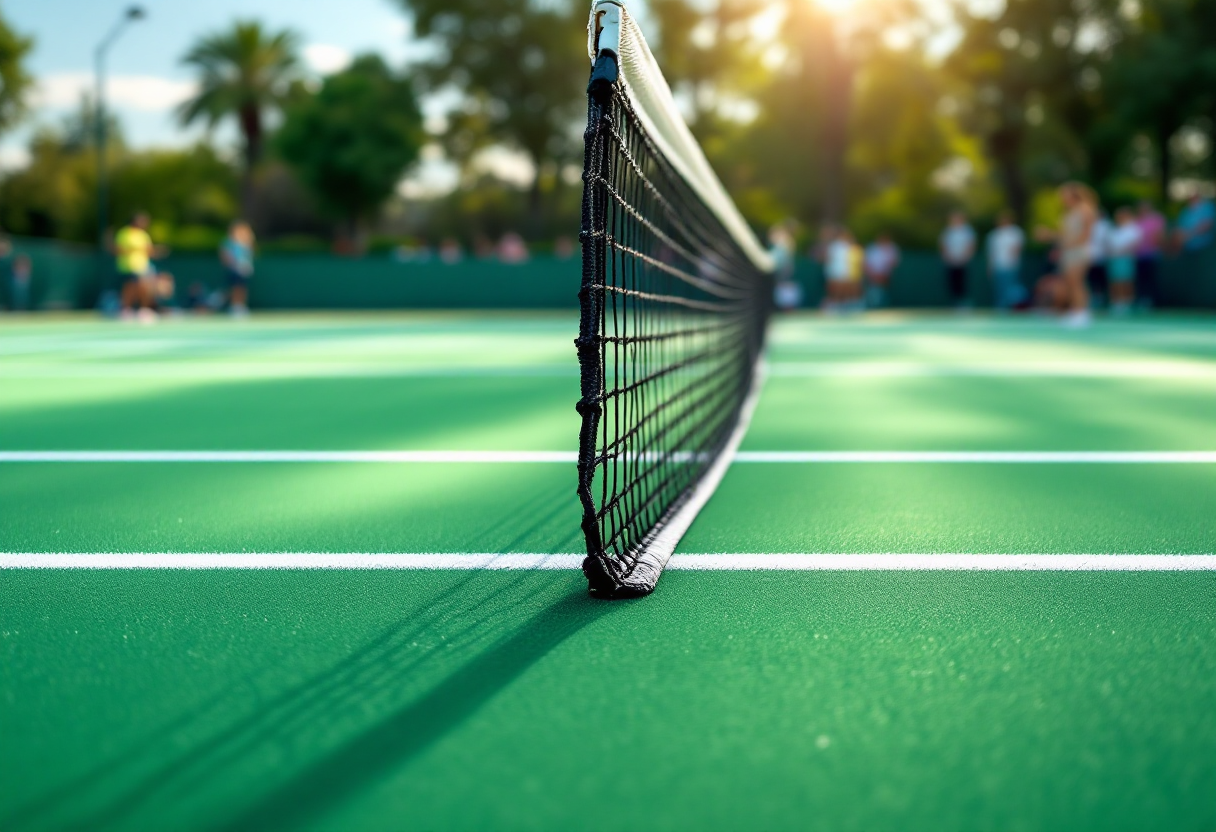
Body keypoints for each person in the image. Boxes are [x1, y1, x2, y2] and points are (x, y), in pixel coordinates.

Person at [1036, 182, 1096, 327]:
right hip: (1068, 253)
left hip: (1079, 252)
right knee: (1069, 283)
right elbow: (1064, 235)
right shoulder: (1068, 213)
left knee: (1077, 283)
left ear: (1073, 195)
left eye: (1064, 195)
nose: (1062, 198)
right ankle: (1075, 312)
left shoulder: (1085, 210)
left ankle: (1082, 314)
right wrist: (1049, 235)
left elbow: (1085, 235)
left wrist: (1068, 244)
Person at [114, 211, 167, 318]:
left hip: (142, 266)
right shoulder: (124, 233)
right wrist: (133, 250)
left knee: (144, 287)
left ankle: (144, 309)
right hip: (128, 266)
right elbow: (118, 249)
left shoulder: (143, 235)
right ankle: (125, 309)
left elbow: (149, 251)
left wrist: (158, 251)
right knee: (130, 288)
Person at [986, 211, 1026, 311]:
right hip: (998, 266)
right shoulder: (993, 235)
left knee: (1011, 288)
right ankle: (1001, 308)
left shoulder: (1016, 232)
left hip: (1011, 266)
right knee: (999, 288)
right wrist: (990, 267)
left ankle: (1013, 307)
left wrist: (1012, 261)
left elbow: (1018, 248)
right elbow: (992, 253)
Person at [1107, 208, 1142, 316]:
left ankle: (1126, 303)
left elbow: (1134, 244)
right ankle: (1117, 302)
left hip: (1126, 258)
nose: (1118, 218)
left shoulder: (1133, 229)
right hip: (1113, 258)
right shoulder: (1115, 229)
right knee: (1115, 281)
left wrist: (1121, 251)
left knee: (1125, 280)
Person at [939, 211, 975, 308]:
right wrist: (948, 257)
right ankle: (955, 304)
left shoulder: (967, 230)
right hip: (951, 262)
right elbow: (943, 246)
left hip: (963, 262)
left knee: (963, 283)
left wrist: (965, 257)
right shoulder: (948, 231)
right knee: (952, 283)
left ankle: (964, 304)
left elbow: (971, 245)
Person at [1134, 200, 1166, 308]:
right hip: (1138, 255)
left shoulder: (1156, 219)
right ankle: (1142, 300)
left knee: (1151, 278)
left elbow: (1158, 235)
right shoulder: (1137, 219)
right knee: (1140, 278)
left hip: (1152, 254)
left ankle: (1153, 301)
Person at [220, 221, 255, 317]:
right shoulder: (229, 243)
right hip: (234, 269)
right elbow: (225, 255)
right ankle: (235, 306)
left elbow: (249, 255)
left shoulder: (246, 244)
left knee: (243, 288)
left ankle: (241, 305)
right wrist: (231, 264)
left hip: (244, 270)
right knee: (235, 288)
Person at [769, 224, 801, 310]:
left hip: (783, 269)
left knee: (784, 286)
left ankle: (787, 307)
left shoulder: (785, 241)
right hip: (781, 269)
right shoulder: (786, 241)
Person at [863, 233, 899, 308]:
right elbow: (866, 263)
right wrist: (872, 274)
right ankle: (873, 305)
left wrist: (883, 272)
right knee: (873, 292)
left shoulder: (892, 248)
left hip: (885, 276)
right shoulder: (871, 248)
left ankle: (883, 306)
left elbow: (894, 263)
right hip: (872, 276)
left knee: (883, 292)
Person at [1087, 210, 1112, 307]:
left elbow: (1106, 241)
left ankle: (1102, 298)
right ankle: (1095, 297)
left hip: (1101, 257)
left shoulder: (1105, 225)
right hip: (1090, 256)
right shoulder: (1091, 224)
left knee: (1101, 279)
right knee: (1092, 279)